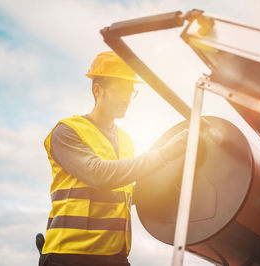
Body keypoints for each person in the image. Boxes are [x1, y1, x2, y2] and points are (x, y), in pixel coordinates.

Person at [39, 51, 188, 266]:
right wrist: (164, 154)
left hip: (115, 255)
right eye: (121, 90)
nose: (127, 98)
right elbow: (99, 174)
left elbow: (123, 191)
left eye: (130, 91)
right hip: (69, 256)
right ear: (97, 90)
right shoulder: (67, 132)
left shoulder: (126, 141)